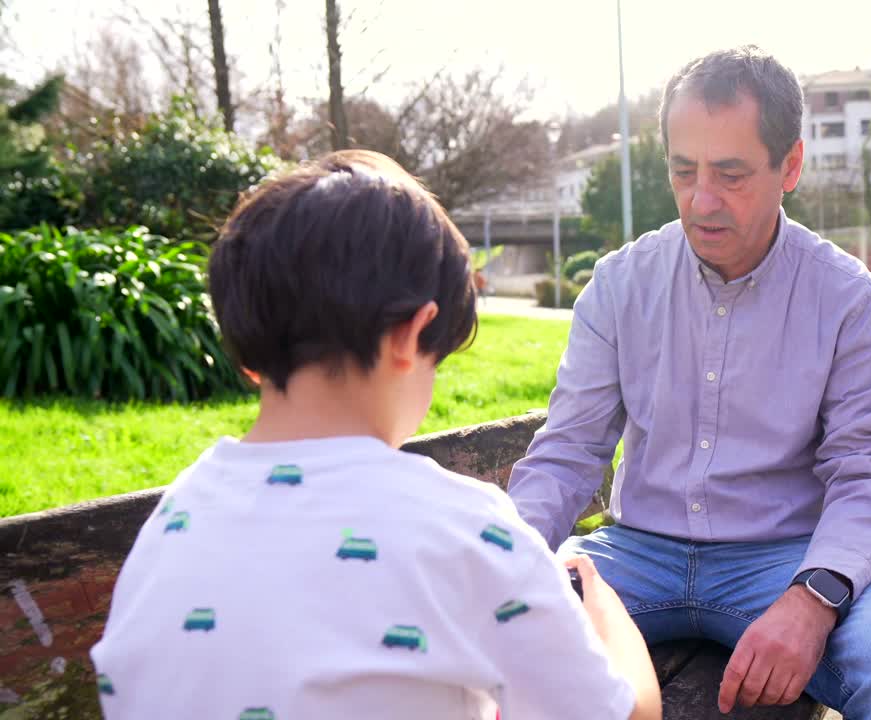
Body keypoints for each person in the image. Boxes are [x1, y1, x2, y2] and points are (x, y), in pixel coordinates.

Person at [90, 150, 661, 720]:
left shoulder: (170, 525)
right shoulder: (467, 530)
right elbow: (626, 715)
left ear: (248, 356)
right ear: (409, 337)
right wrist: (602, 605)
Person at [507, 47, 871, 719]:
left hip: (783, 562)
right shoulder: (619, 286)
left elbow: (867, 474)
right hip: (633, 554)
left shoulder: (847, 299)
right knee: (485, 640)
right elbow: (569, 452)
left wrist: (813, 600)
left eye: (730, 173)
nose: (702, 200)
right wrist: (504, 556)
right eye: (683, 171)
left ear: (791, 167)